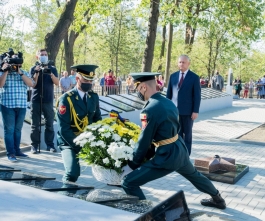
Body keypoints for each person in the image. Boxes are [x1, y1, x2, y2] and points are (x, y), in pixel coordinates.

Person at [121, 72, 226, 210]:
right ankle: (218, 199)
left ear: (144, 87)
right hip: (179, 148)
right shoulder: (168, 102)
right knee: (195, 176)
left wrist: (133, 164)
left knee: (128, 182)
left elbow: (144, 141)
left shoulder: (149, 110)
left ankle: (147, 215)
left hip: (167, 156)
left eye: (137, 87)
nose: (137, 91)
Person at [56, 64, 102, 183]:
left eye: (91, 80)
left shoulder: (93, 97)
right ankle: (64, 194)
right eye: (86, 80)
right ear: (77, 79)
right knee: (72, 172)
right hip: (69, 141)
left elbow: (97, 119)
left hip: (87, 139)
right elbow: (64, 128)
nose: (89, 83)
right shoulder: (66, 99)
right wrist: (80, 144)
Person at [0, 56, 34, 162]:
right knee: (9, 130)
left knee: (17, 130)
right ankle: (11, 153)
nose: (14, 67)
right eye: (12, 65)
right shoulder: (4, 73)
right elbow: (0, 85)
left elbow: (31, 84)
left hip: (21, 106)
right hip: (7, 105)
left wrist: (19, 72)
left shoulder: (23, 73)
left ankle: (17, 150)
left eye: (16, 64)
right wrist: (5, 71)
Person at [166, 55, 201, 155]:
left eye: (184, 62)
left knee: (188, 134)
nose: (181, 64)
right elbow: (169, 94)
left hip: (188, 112)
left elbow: (197, 96)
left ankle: (186, 156)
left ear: (188, 63)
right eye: (180, 62)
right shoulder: (173, 76)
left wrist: (195, 111)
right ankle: (178, 154)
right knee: (177, 134)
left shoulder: (194, 77)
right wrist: (167, 109)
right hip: (174, 111)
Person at [29, 48, 59, 154]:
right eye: (42, 54)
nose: (44, 56)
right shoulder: (33, 68)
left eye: (45, 54)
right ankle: (34, 146)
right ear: (38, 56)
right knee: (35, 125)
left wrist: (50, 73)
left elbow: (57, 82)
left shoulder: (52, 68)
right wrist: (37, 72)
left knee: (49, 124)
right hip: (36, 100)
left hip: (48, 100)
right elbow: (33, 83)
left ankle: (50, 145)